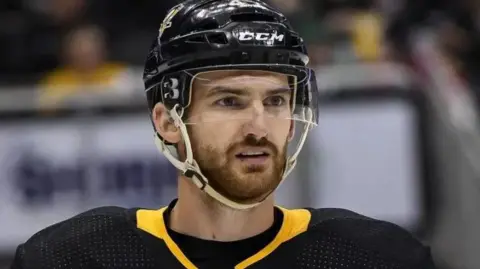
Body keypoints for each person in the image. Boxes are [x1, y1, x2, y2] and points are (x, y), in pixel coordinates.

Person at [10, 0, 436, 268]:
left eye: (274, 102)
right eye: (229, 101)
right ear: (167, 121)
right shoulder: (71, 258)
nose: (258, 127)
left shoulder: (378, 257)